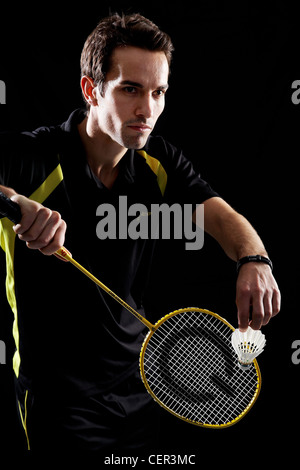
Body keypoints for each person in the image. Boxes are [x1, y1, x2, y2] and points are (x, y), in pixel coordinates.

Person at [0, 13, 280, 454]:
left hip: (142, 385)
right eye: (131, 89)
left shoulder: (156, 161)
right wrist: (15, 204)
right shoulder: (32, 158)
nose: (147, 109)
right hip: (61, 400)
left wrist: (254, 259)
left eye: (158, 92)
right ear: (92, 91)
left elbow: (223, 218)